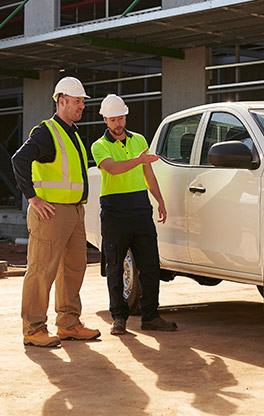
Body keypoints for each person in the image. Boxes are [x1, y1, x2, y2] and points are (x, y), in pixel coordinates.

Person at [12, 76, 101, 347]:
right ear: (61, 101)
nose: (82, 106)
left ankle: (68, 324)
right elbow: (19, 159)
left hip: (74, 212)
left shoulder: (72, 133)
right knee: (41, 271)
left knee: (73, 270)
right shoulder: (46, 132)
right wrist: (33, 198)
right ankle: (33, 329)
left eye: (83, 102)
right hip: (50, 214)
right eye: (77, 101)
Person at [91, 94, 177, 335]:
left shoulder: (139, 140)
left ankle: (151, 316)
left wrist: (159, 199)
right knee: (115, 267)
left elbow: (148, 173)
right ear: (105, 120)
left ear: (125, 116)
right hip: (114, 211)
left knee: (150, 265)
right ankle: (119, 317)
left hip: (140, 207)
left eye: (121, 118)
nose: (118, 124)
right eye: (113, 120)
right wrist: (138, 160)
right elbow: (112, 169)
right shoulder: (99, 146)